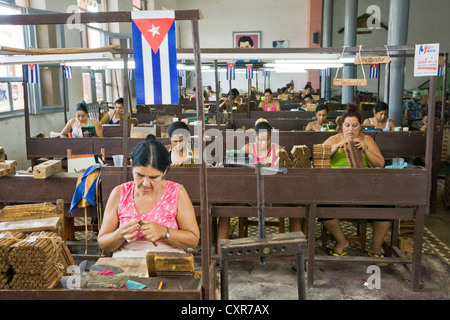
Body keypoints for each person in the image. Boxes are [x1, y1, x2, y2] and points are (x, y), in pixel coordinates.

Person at [97, 134, 200, 257]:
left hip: (168, 261)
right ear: (131, 164)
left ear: (165, 171)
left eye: (153, 177)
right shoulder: (120, 193)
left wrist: (164, 232)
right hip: (126, 260)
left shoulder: (177, 193)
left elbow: (193, 240)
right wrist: (120, 234)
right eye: (140, 175)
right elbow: (103, 243)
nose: (146, 183)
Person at [321, 105, 387, 259]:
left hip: (364, 188)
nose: (351, 129)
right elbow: (318, 157)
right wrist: (337, 147)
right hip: (336, 187)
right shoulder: (333, 139)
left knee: (386, 204)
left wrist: (365, 149)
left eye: (355, 125)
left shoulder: (367, 140)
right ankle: (342, 241)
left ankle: (376, 246)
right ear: (342, 126)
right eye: (347, 125)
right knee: (322, 206)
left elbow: (380, 164)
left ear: (360, 127)